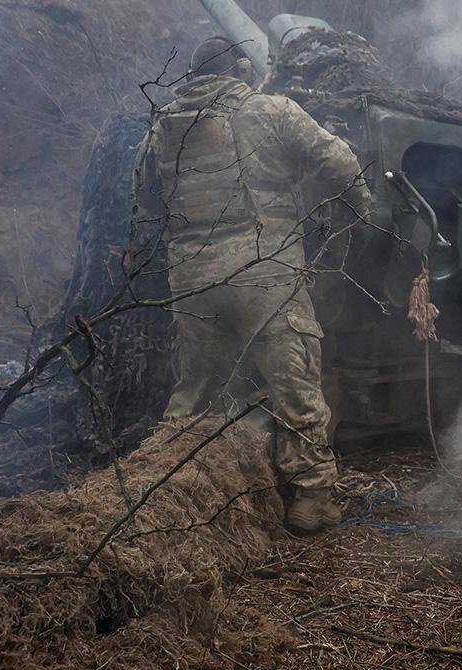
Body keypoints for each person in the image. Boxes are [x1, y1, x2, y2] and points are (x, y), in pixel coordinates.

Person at [133, 37, 370, 535]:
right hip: (265, 275)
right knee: (293, 384)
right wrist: (359, 211)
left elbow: (146, 201)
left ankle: (161, 493)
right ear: (240, 69)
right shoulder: (270, 110)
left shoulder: (163, 127)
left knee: (196, 392)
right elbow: (342, 163)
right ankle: (310, 499)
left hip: (192, 276)